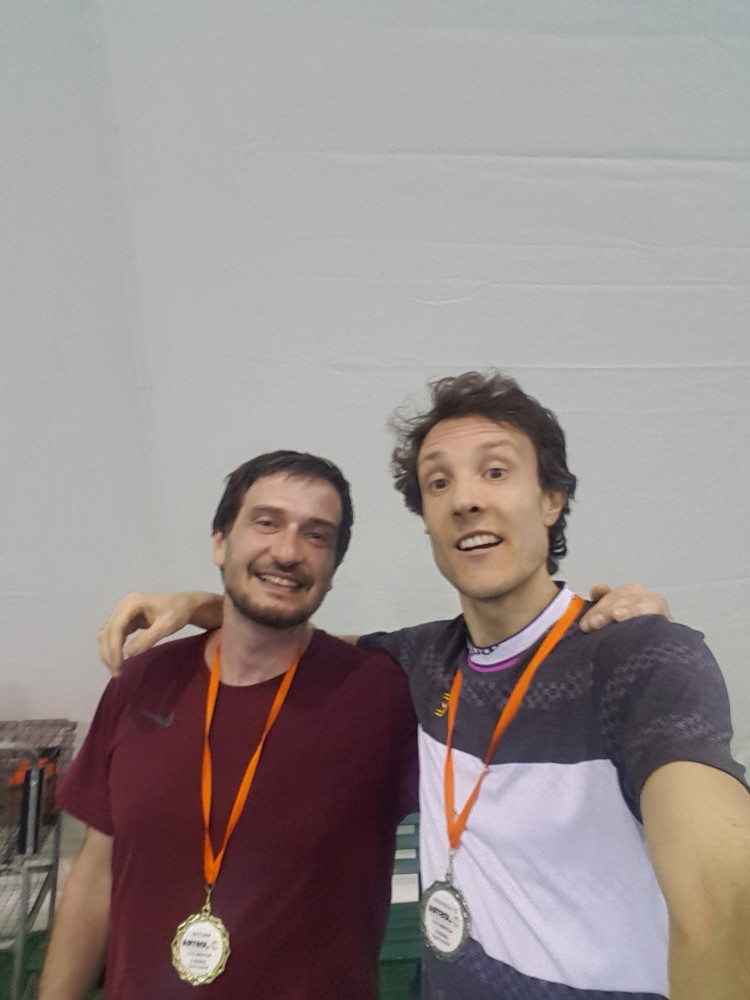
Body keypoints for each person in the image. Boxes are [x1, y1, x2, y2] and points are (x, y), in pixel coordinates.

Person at [98, 372, 750, 1000]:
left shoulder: (641, 657)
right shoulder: (422, 660)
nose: (465, 498)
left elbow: (723, 900)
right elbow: (299, 641)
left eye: (495, 471)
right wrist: (202, 604)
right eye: (439, 482)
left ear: (552, 498)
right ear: (428, 519)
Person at [40, 452, 419, 1000]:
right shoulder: (142, 680)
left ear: (333, 568)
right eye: (266, 522)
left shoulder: (382, 695)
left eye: (316, 536)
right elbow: (96, 876)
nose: (287, 551)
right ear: (220, 543)